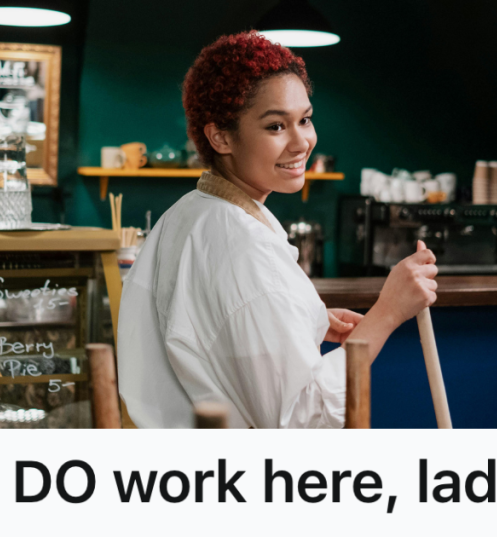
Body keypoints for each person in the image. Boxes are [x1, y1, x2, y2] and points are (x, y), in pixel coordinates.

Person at [117, 31, 438, 428]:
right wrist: (387, 313)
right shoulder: (244, 249)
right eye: (275, 126)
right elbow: (303, 423)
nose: (302, 142)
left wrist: (304, 318)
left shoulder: (188, 213)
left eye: (305, 119)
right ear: (220, 136)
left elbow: (210, 336)